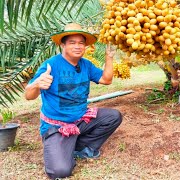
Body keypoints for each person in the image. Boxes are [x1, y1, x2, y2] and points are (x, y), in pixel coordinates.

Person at [24, 23, 122, 179]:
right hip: (57, 126)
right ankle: (61, 146)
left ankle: (80, 147)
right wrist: (36, 84)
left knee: (113, 117)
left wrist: (109, 58)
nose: (77, 46)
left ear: (85, 46)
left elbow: (106, 79)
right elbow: (29, 96)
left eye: (81, 43)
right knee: (60, 171)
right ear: (62, 44)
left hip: (80, 120)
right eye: (72, 42)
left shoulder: (86, 65)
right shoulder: (51, 65)